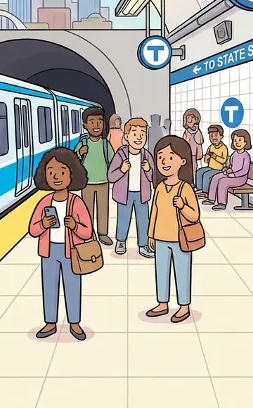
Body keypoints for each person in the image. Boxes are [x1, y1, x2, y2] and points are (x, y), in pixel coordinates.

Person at [28, 147, 94, 342]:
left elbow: (88, 231)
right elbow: (32, 230)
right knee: (49, 286)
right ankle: (50, 322)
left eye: (62, 172)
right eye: (50, 172)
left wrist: (74, 226)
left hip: (71, 252)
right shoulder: (44, 202)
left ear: (72, 174)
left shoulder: (77, 203)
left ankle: (74, 322)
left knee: (73, 286)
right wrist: (43, 224)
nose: (56, 177)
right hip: (48, 252)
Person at [146, 136, 199, 324]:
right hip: (160, 238)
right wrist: (151, 234)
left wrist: (183, 206)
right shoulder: (160, 187)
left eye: (170, 157)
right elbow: (154, 212)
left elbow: (194, 215)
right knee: (161, 271)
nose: (164, 162)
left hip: (180, 239)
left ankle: (184, 306)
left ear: (183, 161)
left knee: (182, 272)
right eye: (160, 158)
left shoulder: (186, 188)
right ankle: (162, 303)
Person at [108, 117, 154, 258]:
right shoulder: (121, 154)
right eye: (135, 134)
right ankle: (121, 241)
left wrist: (148, 169)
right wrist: (122, 170)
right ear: (127, 136)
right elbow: (111, 176)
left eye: (142, 134)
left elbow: (154, 178)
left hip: (142, 195)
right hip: (124, 195)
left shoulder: (146, 155)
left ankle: (143, 245)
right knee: (123, 218)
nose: (139, 138)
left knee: (143, 220)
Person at [74, 106, 113, 246]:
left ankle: (103, 233)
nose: (96, 125)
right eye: (92, 122)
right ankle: (88, 233)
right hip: (87, 183)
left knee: (103, 209)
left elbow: (113, 160)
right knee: (87, 210)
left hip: (104, 181)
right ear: (85, 125)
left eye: (100, 121)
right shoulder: (83, 144)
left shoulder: (105, 144)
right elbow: (74, 161)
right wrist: (80, 153)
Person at [203, 129, 252, 211]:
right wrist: (228, 170)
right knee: (215, 177)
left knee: (223, 182)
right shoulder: (234, 154)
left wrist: (234, 174)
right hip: (232, 174)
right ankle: (211, 199)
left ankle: (222, 203)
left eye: (240, 140)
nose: (237, 143)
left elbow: (244, 171)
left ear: (245, 142)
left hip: (240, 178)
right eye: (235, 140)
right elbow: (232, 166)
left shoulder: (246, 156)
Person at [195, 125, 229, 196]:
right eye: (211, 136)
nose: (213, 138)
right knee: (199, 171)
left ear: (221, 136)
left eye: (216, 135)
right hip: (210, 167)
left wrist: (215, 157)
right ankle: (199, 189)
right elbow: (205, 160)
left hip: (219, 169)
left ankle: (206, 191)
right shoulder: (211, 147)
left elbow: (223, 160)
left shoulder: (224, 148)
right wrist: (208, 156)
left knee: (207, 175)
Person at [181, 108, 204, 182]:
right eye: (188, 118)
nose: (190, 120)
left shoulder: (198, 132)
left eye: (192, 117)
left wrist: (199, 154)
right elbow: (183, 143)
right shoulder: (186, 132)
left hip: (194, 154)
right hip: (187, 154)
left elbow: (199, 144)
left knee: (194, 168)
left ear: (196, 119)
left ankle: (193, 182)